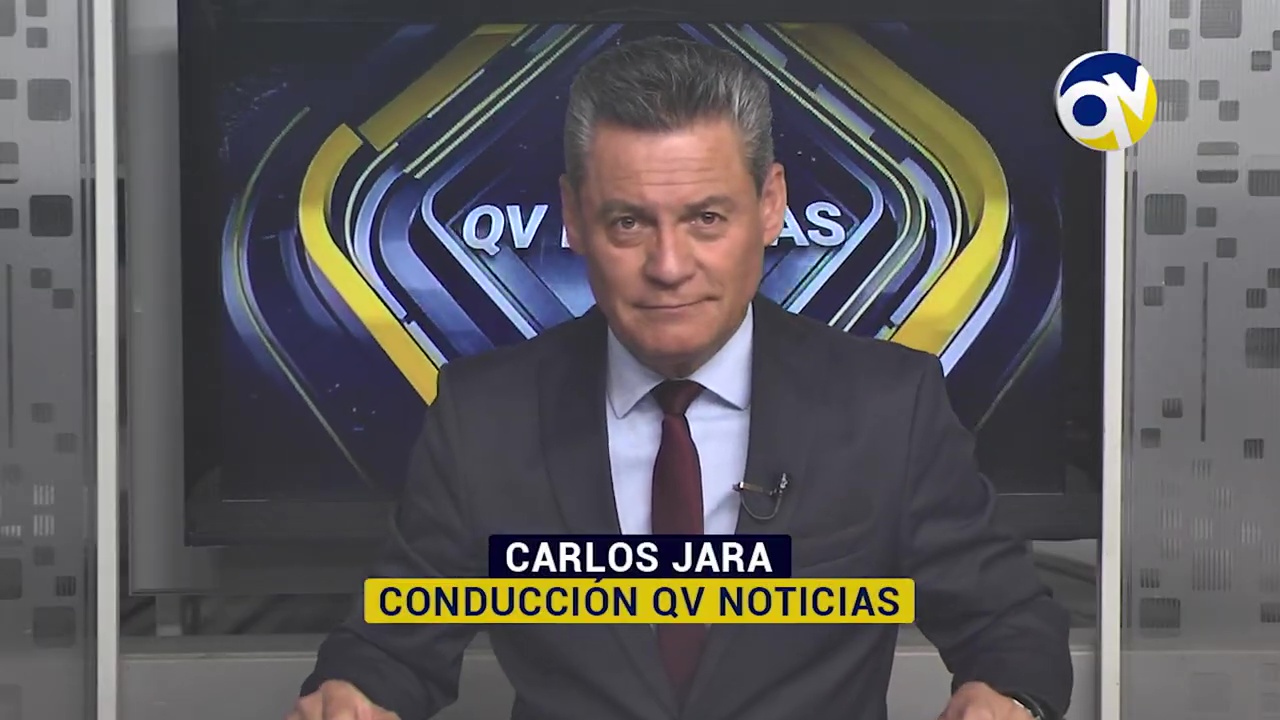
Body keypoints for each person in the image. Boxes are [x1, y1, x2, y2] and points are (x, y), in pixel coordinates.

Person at [289, 36, 1072, 720]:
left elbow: (1009, 624)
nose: (668, 266)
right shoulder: (484, 415)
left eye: (706, 218)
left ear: (770, 205)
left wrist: (1004, 695)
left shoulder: (888, 406)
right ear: (574, 216)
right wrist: (353, 692)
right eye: (629, 222)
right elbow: (391, 642)